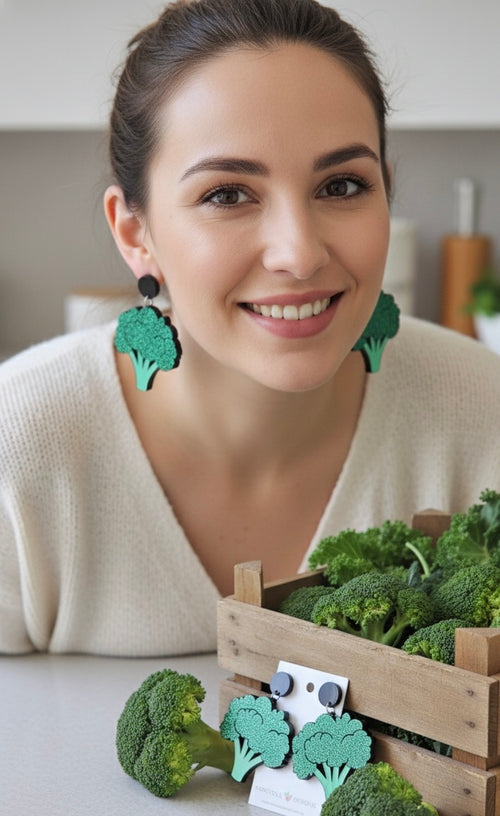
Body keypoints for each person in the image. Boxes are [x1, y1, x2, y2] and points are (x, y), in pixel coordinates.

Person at [1, 0, 499, 657]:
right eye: (228, 195)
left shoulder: (482, 414)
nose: (298, 252)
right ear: (135, 231)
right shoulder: (19, 453)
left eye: (343, 185)